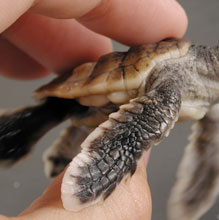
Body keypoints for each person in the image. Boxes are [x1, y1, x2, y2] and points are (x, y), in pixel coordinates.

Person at [0, 0, 187, 219]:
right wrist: (114, 158)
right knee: (148, 118)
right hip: (107, 85)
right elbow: (145, 121)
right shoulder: (176, 80)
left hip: (100, 100)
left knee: (57, 114)